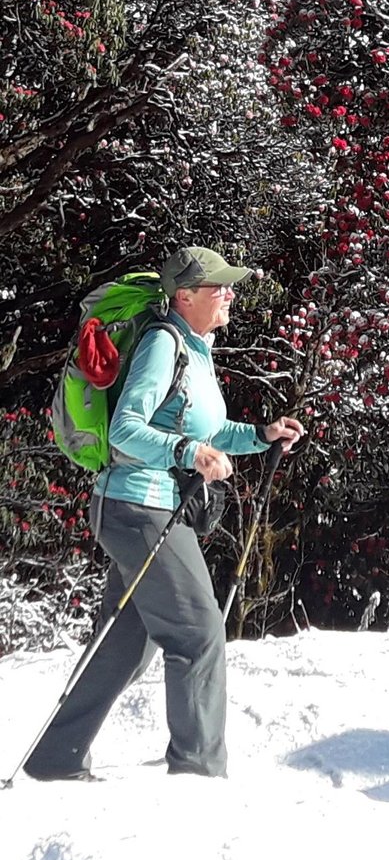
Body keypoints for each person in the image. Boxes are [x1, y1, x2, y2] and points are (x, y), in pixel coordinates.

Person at [24, 246, 304, 781]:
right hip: (137, 506)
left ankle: (53, 763)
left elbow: (206, 429)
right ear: (185, 296)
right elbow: (128, 429)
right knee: (198, 633)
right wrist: (186, 454)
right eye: (218, 286)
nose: (229, 293)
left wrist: (260, 435)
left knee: (122, 647)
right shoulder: (162, 344)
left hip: (147, 505)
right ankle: (198, 773)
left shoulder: (197, 350)